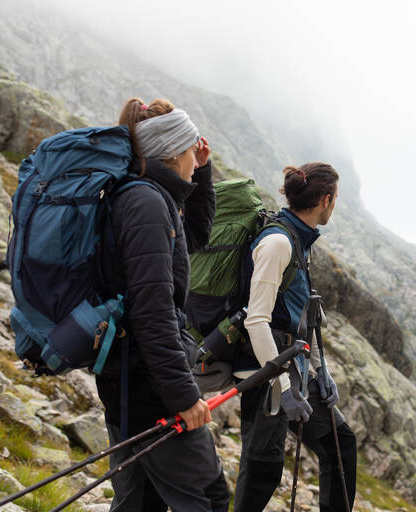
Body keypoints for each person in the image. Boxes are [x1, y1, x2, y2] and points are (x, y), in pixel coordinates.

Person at [94, 97, 230, 512]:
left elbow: (194, 240)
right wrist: (184, 398)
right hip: (148, 386)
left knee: (139, 502)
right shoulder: (147, 205)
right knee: (208, 498)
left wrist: (203, 174)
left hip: (127, 379)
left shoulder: (149, 199)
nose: (195, 157)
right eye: (191, 150)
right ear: (172, 151)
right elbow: (152, 314)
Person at [233, 162, 357, 511]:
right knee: (262, 470)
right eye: (336, 199)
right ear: (326, 199)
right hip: (265, 371)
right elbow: (256, 321)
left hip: (296, 368)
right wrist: (283, 389)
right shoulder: (277, 243)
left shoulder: (300, 239)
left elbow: (302, 316)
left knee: (340, 443)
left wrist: (321, 372)